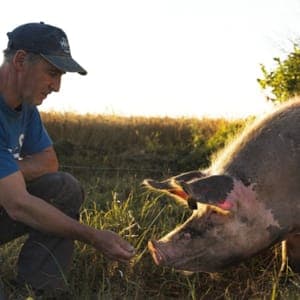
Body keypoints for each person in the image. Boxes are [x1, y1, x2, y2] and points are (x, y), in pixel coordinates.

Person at [0, 22, 135, 296]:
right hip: (10, 203)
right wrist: (94, 236)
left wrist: (9, 174)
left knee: (63, 188)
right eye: (52, 73)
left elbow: (49, 163)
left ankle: (41, 289)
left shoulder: (25, 109)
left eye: (60, 75)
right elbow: (18, 205)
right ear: (21, 60)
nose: (57, 87)